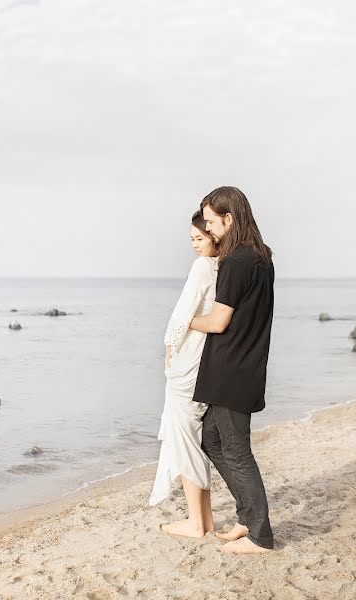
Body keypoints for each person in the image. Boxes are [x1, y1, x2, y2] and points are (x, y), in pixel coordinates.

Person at [188, 186, 275, 554]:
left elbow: (219, 321)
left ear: (230, 218)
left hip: (231, 369)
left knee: (237, 450)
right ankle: (247, 517)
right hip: (244, 365)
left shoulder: (237, 261)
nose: (209, 230)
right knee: (212, 439)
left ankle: (260, 536)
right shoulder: (261, 257)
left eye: (211, 222)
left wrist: (183, 321)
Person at [149, 210, 219, 539]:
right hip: (206, 363)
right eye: (191, 239)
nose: (194, 245)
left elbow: (183, 313)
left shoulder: (203, 267)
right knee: (192, 440)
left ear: (215, 235)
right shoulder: (224, 267)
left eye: (200, 238)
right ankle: (204, 520)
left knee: (185, 440)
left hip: (188, 363)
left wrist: (169, 350)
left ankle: (195, 522)